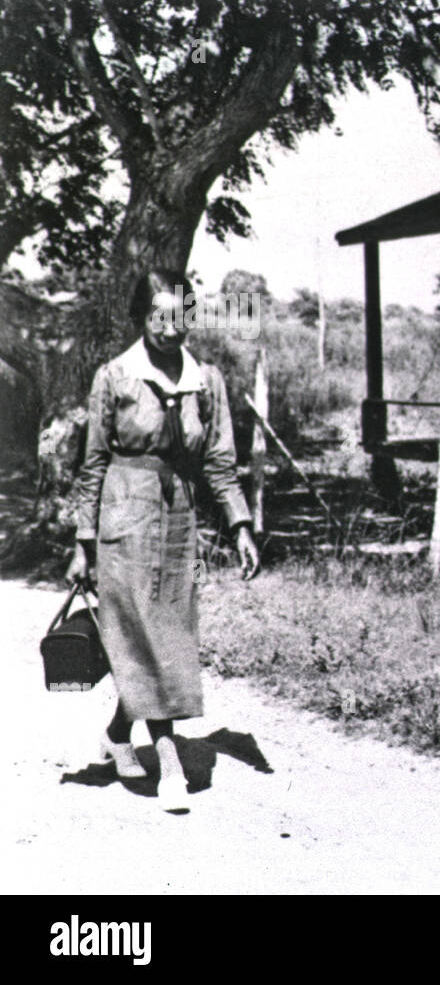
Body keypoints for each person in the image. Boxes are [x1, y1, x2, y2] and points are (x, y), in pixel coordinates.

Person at [66, 268, 259, 813]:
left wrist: (240, 524)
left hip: (179, 522)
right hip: (123, 518)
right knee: (146, 633)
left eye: (179, 318)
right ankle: (169, 759)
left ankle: (118, 734)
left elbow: (220, 461)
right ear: (141, 318)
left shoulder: (208, 381)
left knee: (170, 635)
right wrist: (83, 539)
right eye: (157, 317)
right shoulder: (115, 376)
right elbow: (94, 462)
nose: (169, 330)